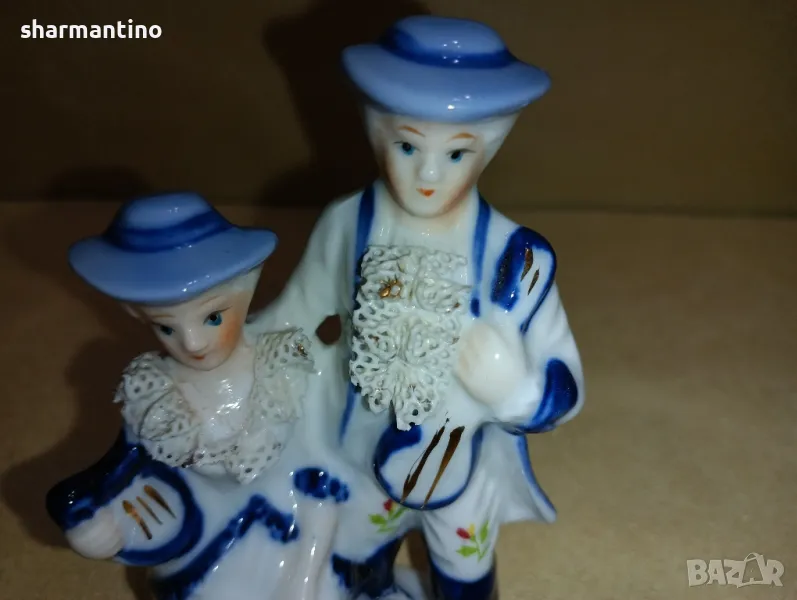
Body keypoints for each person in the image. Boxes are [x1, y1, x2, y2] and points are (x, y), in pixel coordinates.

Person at [249, 15, 585, 600]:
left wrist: (514, 389)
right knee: (350, 561)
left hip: (459, 462)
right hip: (354, 446)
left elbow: (567, 383)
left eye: (456, 154)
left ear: (488, 148)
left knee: (464, 568)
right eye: (407, 145)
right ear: (376, 133)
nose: (428, 174)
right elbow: (294, 316)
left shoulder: (517, 258)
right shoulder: (347, 223)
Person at [46, 192, 354, 600]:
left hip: (299, 532)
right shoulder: (156, 395)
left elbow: (326, 467)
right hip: (211, 538)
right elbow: (117, 467)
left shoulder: (282, 367)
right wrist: (78, 515)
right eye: (166, 328)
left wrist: (308, 569)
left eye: (212, 317)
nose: (192, 342)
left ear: (245, 289)